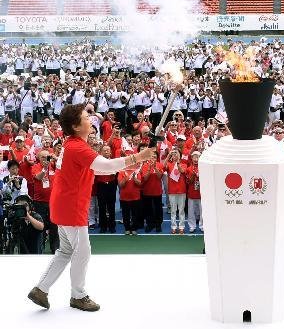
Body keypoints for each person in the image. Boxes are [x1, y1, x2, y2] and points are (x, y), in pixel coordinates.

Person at [27, 104, 155, 312]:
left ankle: (41, 289)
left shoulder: (71, 144)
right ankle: (78, 295)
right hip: (71, 205)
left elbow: (94, 168)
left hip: (64, 203)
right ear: (76, 126)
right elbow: (104, 166)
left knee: (66, 250)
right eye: (87, 117)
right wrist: (137, 157)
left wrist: (128, 163)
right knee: (82, 251)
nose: (91, 119)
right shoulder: (77, 147)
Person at [164, 149, 187, 234]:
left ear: (180, 156)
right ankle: (173, 226)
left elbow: (182, 171)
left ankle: (181, 226)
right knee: (173, 210)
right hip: (172, 191)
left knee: (181, 210)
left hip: (181, 190)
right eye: (173, 154)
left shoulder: (183, 164)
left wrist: (177, 163)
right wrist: (168, 156)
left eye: (176, 154)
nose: (175, 156)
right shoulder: (169, 164)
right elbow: (163, 167)